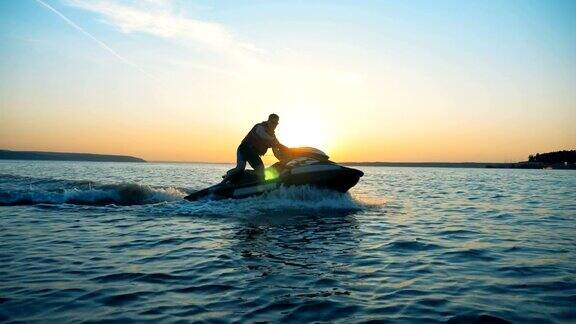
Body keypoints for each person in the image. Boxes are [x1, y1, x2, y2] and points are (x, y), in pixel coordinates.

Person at [223, 114, 288, 183]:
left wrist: (285, 161)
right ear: (268, 121)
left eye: (276, 123)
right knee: (240, 168)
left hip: (252, 154)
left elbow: (276, 153)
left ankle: (244, 181)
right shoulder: (259, 127)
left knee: (261, 172)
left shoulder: (273, 137)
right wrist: (278, 144)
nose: (274, 125)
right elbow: (266, 137)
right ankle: (225, 180)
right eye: (272, 122)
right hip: (244, 149)